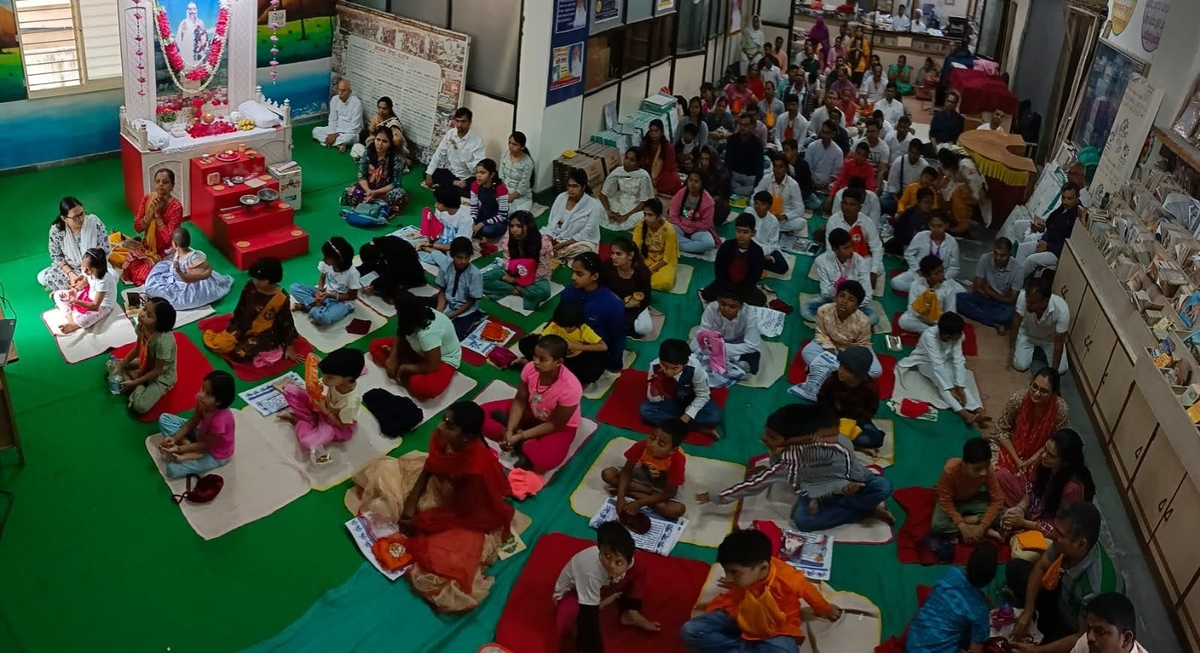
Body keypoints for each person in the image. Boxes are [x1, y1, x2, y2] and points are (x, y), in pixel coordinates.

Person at [372, 401, 513, 611]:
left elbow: (464, 513)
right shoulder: (445, 438)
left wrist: (421, 521)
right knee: (384, 474)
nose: (440, 427)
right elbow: (430, 468)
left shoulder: (475, 471)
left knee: (443, 565)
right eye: (444, 420)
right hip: (444, 483)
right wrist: (410, 504)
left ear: (466, 437)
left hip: (467, 507)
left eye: (450, 426)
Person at [699, 403, 895, 531]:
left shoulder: (841, 445)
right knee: (803, 521)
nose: (764, 439)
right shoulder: (784, 459)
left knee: (883, 487)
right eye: (766, 434)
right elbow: (753, 486)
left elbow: (854, 472)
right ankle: (863, 509)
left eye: (772, 437)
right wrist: (717, 497)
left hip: (849, 484)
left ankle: (859, 506)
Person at [681, 528, 842, 652]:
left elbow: (810, 593)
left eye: (734, 573)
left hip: (775, 629)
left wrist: (825, 609)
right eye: (726, 571)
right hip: (739, 615)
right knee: (690, 630)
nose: (728, 578)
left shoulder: (788, 579)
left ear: (763, 567)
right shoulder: (746, 576)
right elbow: (735, 595)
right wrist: (735, 585)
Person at [1007, 502, 1124, 650]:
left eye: (1060, 535)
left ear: (1080, 544)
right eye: (1055, 529)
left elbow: (1083, 636)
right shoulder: (1065, 544)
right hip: (1063, 596)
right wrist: (1028, 610)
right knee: (1016, 569)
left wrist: (1038, 651)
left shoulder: (1096, 588)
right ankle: (1038, 616)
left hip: (1075, 626)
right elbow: (1041, 567)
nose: (1053, 536)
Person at [483, 334, 582, 471]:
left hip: (556, 425)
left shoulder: (571, 388)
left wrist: (521, 436)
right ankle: (518, 439)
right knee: (479, 414)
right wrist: (511, 430)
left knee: (546, 462)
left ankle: (520, 441)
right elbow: (520, 400)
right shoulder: (530, 368)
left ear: (558, 362)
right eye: (535, 356)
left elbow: (555, 424)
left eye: (543, 359)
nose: (536, 361)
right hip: (531, 409)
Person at [554, 522, 658, 652]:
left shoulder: (629, 562)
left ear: (629, 559)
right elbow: (589, 617)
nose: (611, 565)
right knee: (574, 619)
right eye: (606, 556)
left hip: (605, 587)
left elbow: (630, 569)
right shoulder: (590, 574)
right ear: (599, 549)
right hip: (574, 594)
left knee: (640, 568)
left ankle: (630, 613)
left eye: (618, 562)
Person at [202, 258, 302, 365]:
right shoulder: (250, 285)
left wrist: (289, 346)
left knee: (240, 354)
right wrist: (234, 326)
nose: (256, 282)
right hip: (242, 325)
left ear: (272, 278)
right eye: (254, 278)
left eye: (260, 279)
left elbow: (287, 322)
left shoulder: (282, 297)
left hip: (265, 333)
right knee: (218, 344)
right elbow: (241, 307)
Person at [999, 428, 1095, 540]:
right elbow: (1031, 486)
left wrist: (1023, 523)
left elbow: (1060, 529)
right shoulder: (1044, 459)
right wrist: (1020, 508)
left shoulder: (1072, 489)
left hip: (1052, 520)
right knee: (1000, 476)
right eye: (1045, 449)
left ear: (1065, 462)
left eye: (1051, 456)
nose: (1044, 455)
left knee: (1023, 544)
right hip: (1037, 503)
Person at [904, 544, 999, 653]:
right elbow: (976, 648)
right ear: (990, 578)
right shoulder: (980, 609)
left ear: (968, 561)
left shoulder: (951, 573)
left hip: (913, 642)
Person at [277, 348, 365, 465]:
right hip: (323, 405)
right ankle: (309, 419)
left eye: (329, 377)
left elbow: (343, 426)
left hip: (335, 424)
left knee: (308, 442)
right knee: (289, 390)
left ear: (348, 377)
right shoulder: (338, 374)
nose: (323, 380)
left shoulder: (351, 402)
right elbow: (313, 357)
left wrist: (326, 411)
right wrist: (314, 363)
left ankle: (300, 421)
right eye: (324, 375)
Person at [371, 290, 463, 401]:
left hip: (441, 359)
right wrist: (393, 356)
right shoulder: (411, 316)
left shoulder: (428, 333)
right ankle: (405, 365)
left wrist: (405, 368)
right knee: (375, 346)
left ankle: (405, 367)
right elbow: (402, 333)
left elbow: (433, 366)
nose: (396, 314)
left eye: (397, 311)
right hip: (417, 349)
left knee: (426, 388)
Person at [899, 312, 989, 426]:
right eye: (958, 333)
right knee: (942, 385)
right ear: (947, 336)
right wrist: (950, 388)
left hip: (946, 360)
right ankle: (964, 413)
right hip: (925, 362)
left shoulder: (956, 336)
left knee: (960, 382)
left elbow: (958, 359)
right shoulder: (929, 336)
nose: (961, 335)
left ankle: (978, 409)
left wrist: (959, 385)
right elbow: (937, 365)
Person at [109, 169, 185, 287]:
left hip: (164, 252)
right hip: (146, 246)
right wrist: (150, 214)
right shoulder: (147, 199)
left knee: (142, 275)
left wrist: (158, 216)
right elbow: (137, 228)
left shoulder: (176, 207)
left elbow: (168, 239)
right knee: (113, 254)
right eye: (157, 181)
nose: (160, 185)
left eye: (165, 182)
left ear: (172, 186)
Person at [989, 366, 1070, 474]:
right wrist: (1017, 460)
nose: (1036, 393)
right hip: (1012, 447)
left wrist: (1029, 461)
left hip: (1042, 454)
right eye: (1034, 387)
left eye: (1044, 391)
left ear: (1053, 394)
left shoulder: (1061, 410)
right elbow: (1001, 431)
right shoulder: (1018, 399)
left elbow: (1056, 443)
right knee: (988, 464)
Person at [156, 369, 235, 479]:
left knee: (172, 469)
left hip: (214, 452)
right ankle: (188, 446)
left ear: (219, 402)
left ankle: (190, 450)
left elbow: (206, 445)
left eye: (208, 393)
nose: (201, 395)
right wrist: (175, 439)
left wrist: (179, 449)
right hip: (201, 434)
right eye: (203, 388)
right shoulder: (201, 400)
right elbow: (193, 422)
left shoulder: (220, 422)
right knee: (164, 419)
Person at [603, 420, 688, 520]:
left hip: (665, 485)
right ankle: (647, 492)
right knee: (608, 474)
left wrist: (639, 503)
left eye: (661, 444)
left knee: (677, 510)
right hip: (644, 474)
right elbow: (627, 470)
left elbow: (670, 493)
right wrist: (620, 497)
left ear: (672, 450)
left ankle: (634, 494)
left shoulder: (677, 460)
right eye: (652, 438)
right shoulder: (642, 446)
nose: (652, 445)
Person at [642, 339, 722, 439]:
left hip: (691, 398)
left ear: (685, 364)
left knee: (714, 418)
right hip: (671, 400)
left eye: (674, 368)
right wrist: (655, 388)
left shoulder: (694, 368)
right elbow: (654, 400)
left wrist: (688, 415)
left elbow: (703, 395)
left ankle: (675, 424)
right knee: (645, 411)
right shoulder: (654, 366)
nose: (667, 371)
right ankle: (698, 428)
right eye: (664, 366)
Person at [515, 299, 608, 386]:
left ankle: (552, 372)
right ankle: (546, 368)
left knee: (590, 373)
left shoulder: (584, 330)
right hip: (554, 352)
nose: (566, 329)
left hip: (574, 357)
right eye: (563, 326)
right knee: (525, 343)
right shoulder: (556, 324)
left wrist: (576, 347)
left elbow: (603, 346)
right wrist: (553, 347)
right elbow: (541, 338)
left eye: (570, 327)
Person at [110, 296, 177, 414]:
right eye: (144, 309)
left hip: (161, 376)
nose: (142, 314)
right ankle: (132, 379)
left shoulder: (163, 341)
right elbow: (137, 349)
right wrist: (121, 365)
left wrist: (136, 382)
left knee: (140, 407)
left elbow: (158, 370)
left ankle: (137, 384)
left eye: (149, 315)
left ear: (159, 324)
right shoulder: (142, 326)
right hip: (145, 363)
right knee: (112, 364)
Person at [141, 227, 234, 311]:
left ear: (176, 244)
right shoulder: (179, 250)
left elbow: (193, 278)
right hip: (175, 278)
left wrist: (179, 271)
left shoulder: (193, 259)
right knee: (152, 285)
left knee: (167, 298)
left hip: (188, 284)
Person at [933, 437, 1006, 543]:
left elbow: (998, 500)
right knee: (937, 525)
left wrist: (982, 526)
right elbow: (945, 501)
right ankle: (981, 530)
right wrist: (962, 526)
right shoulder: (950, 470)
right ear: (964, 464)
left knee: (1005, 514)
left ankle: (963, 526)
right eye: (977, 469)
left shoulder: (987, 471)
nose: (983, 473)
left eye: (986, 467)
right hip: (952, 501)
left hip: (971, 499)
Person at [564, 251, 627, 370]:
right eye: (573, 272)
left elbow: (617, 337)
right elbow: (559, 318)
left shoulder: (613, 304)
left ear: (595, 276)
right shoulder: (569, 292)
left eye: (579, 274)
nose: (573, 277)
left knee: (588, 370)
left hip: (594, 347)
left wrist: (615, 362)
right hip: (569, 341)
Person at [815, 346, 886, 449]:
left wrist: (853, 424)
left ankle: (837, 440)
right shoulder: (833, 379)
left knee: (874, 440)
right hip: (832, 417)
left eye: (847, 370)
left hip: (856, 421)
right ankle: (841, 440)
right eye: (841, 366)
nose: (841, 371)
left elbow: (870, 410)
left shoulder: (869, 388)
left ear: (858, 374)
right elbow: (822, 400)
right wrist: (831, 419)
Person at [482, 211, 554, 311]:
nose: (514, 230)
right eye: (511, 226)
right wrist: (510, 274)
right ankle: (519, 291)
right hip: (511, 272)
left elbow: (541, 269)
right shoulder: (508, 240)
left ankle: (517, 290)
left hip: (534, 277)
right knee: (482, 279)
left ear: (528, 226)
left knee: (544, 292)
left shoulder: (541, 243)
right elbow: (507, 261)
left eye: (519, 226)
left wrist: (516, 280)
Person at [38, 197, 111, 292]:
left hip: (94, 268)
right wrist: (71, 275)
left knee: (112, 275)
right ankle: (81, 289)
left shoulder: (94, 222)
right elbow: (56, 256)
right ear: (64, 218)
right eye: (75, 217)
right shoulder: (57, 230)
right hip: (71, 268)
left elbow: (104, 250)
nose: (81, 219)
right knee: (43, 277)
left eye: (82, 214)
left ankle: (76, 290)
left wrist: (85, 279)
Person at [1017, 183, 1083, 282]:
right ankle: (1014, 277)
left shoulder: (1077, 216)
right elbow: (1051, 225)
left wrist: (1047, 247)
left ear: (1077, 197)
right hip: (1048, 242)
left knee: (1031, 260)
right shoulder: (1064, 208)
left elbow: (1066, 245)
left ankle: (1015, 286)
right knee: (1023, 248)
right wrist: (1042, 242)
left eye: (1069, 199)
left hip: (1057, 253)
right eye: (1063, 198)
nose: (1065, 201)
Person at [804, 229, 873, 323]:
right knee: (805, 310)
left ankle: (831, 322)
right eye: (846, 248)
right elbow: (825, 293)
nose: (851, 251)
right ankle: (845, 324)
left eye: (851, 246)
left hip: (853, 305)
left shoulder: (860, 262)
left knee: (873, 318)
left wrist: (850, 305)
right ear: (835, 249)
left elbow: (868, 294)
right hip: (832, 302)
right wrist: (836, 288)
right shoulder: (822, 261)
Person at [289, 236, 361, 326]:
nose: (324, 259)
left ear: (339, 260)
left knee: (323, 317)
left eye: (327, 257)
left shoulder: (352, 274)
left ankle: (309, 307)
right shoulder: (327, 264)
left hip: (342, 302)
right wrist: (319, 290)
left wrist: (330, 295)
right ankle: (316, 306)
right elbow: (322, 278)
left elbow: (352, 296)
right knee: (294, 287)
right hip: (326, 295)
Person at [693, 285, 763, 376]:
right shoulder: (711, 308)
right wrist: (712, 345)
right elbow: (702, 331)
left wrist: (721, 348)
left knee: (753, 360)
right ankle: (729, 363)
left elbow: (752, 346)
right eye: (723, 304)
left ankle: (723, 362)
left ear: (741, 306)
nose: (726, 309)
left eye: (732, 306)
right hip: (714, 342)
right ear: (718, 300)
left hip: (738, 344)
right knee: (693, 346)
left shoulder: (750, 316)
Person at [957, 236, 1020, 332]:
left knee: (1008, 315)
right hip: (984, 299)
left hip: (1000, 305)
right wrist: (1000, 295)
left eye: (1002, 255)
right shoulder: (985, 258)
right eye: (995, 253)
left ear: (1010, 255)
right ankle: (994, 323)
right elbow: (977, 288)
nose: (998, 258)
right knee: (958, 299)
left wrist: (987, 289)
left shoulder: (1018, 269)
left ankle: (980, 313)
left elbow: (1012, 299)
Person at [341, 125, 408, 213]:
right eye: (378, 139)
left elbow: (395, 183)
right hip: (369, 187)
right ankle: (379, 205)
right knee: (349, 191)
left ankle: (370, 203)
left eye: (384, 141)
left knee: (399, 194)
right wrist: (369, 191)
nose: (380, 144)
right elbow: (361, 177)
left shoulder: (397, 158)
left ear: (390, 143)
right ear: (374, 139)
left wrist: (376, 193)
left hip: (386, 189)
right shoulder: (368, 153)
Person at [703, 214, 767, 306]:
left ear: (753, 233)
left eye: (745, 232)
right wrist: (728, 287)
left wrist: (740, 288)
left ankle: (735, 297)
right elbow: (719, 270)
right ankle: (735, 297)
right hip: (725, 283)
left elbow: (755, 276)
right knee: (706, 294)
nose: (741, 235)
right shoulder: (726, 246)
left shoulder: (757, 251)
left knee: (761, 300)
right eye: (738, 231)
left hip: (745, 287)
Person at [1011, 276, 1070, 374]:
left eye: (1033, 303)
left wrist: (1052, 376)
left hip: (1049, 339)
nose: (1028, 305)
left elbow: (1058, 344)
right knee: (1020, 365)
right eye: (1028, 302)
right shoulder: (1023, 296)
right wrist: (1012, 348)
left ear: (1045, 301)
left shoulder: (1062, 309)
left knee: (1060, 370)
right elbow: (1015, 323)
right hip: (1028, 335)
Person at [825, 187, 884, 285]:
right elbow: (830, 248)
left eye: (852, 204)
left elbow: (877, 248)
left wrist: (873, 271)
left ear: (859, 207)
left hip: (861, 258)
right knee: (821, 262)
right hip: (841, 259)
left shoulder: (867, 222)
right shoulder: (833, 220)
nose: (847, 208)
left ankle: (852, 279)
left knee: (879, 268)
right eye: (844, 203)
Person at [429, 237, 485, 339]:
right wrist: (439, 312)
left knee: (452, 336)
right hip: (447, 302)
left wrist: (450, 316)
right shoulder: (445, 267)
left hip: (466, 310)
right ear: (452, 255)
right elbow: (442, 291)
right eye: (459, 257)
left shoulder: (475, 274)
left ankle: (474, 318)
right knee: (417, 304)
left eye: (466, 257)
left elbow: (470, 301)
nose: (463, 261)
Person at [545, 169, 604, 262]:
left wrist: (565, 243)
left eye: (575, 186)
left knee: (583, 252)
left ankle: (555, 252)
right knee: (536, 240)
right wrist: (549, 237)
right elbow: (552, 221)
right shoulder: (561, 197)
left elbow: (587, 232)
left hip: (578, 241)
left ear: (583, 187)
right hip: (556, 235)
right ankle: (553, 251)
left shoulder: (593, 205)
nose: (570, 189)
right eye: (569, 185)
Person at [52, 248, 115, 335]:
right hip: (88, 295)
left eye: (88, 269)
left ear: (99, 268)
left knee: (82, 320)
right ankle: (71, 319)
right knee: (58, 294)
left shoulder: (103, 282)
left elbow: (95, 305)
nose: (84, 271)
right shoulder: (87, 271)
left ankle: (74, 323)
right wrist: (75, 290)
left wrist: (76, 302)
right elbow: (85, 281)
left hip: (102, 306)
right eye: (83, 267)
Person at [894, 213, 961, 294]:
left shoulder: (952, 242)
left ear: (946, 225)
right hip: (920, 274)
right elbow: (909, 254)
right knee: (895, 282)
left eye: (940, 226)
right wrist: (918, 270)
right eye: (933, 226)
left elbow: (954, 267)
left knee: (961, 292)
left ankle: (923, 291)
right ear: (929, 225)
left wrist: (943, 277)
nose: (936, 229)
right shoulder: (921, 236)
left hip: (941, 277)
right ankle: (930, 292)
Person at [425, 107, 486, 196]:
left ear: (470, 122)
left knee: (477, 187)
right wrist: (429, 174)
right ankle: (454, 185)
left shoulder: (477, 141)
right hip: (452, 174)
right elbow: (438, 154)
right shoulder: (451, 134)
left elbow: (478, 167)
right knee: (428, 172)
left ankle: (449, 187)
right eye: (457, 121)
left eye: (463, 121)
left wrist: (461, 155)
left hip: (467, 178)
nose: (459, 125)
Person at [603, 237, 654, 338]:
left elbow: (646, 297)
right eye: (612, 253)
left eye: (618, 254)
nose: (613, 257)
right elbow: (603, 288)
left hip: (634, 305)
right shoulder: (608, 265)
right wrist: (620, 304)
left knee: (645, 327)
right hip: (612, 302)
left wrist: (634, 303)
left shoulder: (642, 272)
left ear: (630, 255)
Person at [418, 187, 476, 270]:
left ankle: (428, 250)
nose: (435, 205)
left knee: (451, 263)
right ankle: (429, 251)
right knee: (411, 243)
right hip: (440, 242)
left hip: (455, 249)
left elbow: (456, 247)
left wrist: (430, 246)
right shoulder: (440, 211)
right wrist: (430, 238)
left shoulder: (465, 219)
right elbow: (436, 230)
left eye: (438, 202)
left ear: (448, 203)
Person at [599, 148, 656, 232]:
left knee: (642, 218)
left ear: (638, 163)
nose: (627, 162)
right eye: (626, 158)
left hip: (636, 207)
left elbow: (644, 201)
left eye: (632, 160)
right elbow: (603, 194)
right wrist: (609, 211)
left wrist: (626, 216)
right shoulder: (618, 171)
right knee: (596, 206)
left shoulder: (643, 176)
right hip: (620, 202)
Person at [1068, 594, 1147, 653]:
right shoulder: (1085, 643)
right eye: (1089, 628)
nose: (1089, 637)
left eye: (1101, 631)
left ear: (1126, 639)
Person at [899, 255, 959, 331]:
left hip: (939, 321)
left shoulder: (948, 288)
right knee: (903, 321)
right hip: (920, 318)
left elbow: (951, 313)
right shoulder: (916, 285)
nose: (942, 275)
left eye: (942, 271)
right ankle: (930, 331)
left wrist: (940, 321)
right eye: (937, 273)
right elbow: (911, 308)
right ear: (926, 276)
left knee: (960, 335)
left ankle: (929, 331)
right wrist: (922, 312)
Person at [668, 170, 720, 255]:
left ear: (702, 183)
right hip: (680, 227)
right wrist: (683, 225)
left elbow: (706, 224)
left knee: (709, 243)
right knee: (667, 230)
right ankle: (693, 246)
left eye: (696, 181)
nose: (692, 184)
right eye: (690, 180)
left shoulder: (708, 201)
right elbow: (673, 216)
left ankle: (679, 245)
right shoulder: (681, 193)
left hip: (698, 231)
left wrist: (689, 226)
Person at [632, 198, 679, 292]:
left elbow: (667, 258)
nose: (646, 218)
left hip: (664, 261)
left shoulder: (669, 230)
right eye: (645, 214)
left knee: (666, 282)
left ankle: (641, 282)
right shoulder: (640, 226)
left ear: (659, 216)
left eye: (650, 215)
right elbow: (635, 248)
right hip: (647, 258)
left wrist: (651, 270)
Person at [754, 155, 807, 235]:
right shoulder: (767, 178)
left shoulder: (793, 184)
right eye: (775, 166)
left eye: (781, 167)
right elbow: (753, 197)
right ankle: (774, 227)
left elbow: (800, 209)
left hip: (782, 217)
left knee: (801, 223)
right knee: (748, 211)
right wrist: (761, 210)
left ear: (786, 169)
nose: (777, 170)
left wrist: (784, 216)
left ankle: (766, 226)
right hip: (765, 213)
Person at [358, 235, 427, 296]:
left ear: (380, 255)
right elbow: (369, 263)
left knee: (388, 291)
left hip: (408, 270)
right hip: (393, 264)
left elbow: (393, 273)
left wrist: (374, 285)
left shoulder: (396, 252)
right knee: (369, 266)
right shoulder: (378, 245)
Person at [351, 96, 411, 163]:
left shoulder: (393, 125)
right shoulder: (376, 118)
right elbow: (371, 131)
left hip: (388, 152)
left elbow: (397, 142)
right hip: (377, 150)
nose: (381, 111)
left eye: (384, 108)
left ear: (390, 109)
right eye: (379, 108)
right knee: (356, 147)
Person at [745, 191, 789, 276]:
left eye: (762, 204)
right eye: (756, 203)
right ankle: (756, 260)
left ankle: (754, 261)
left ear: (769, 206)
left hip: (766, 249)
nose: (758, 206)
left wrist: (761, 253)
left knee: (783, 268)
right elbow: (744, 235)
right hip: (750, 245)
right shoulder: (749, 214)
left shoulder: (773, 221)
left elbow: (773, 244)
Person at [312, 79, 362, 152]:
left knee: (349, 138)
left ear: (350, 92)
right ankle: (338, 145)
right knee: (315, 130)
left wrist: (336, 135)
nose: (340, 93)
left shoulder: (356, 103)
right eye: (339, 90)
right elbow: (332, 120)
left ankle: (331, 142)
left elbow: (355, 128)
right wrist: (332, 133)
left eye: (343, 91)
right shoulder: (334, 99)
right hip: (336, 129)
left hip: (349, 133)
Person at [882, 137, 928, 216]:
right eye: (912, 153)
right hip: (897, 196)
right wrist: (899, 202)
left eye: (917, 154)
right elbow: (892, 184)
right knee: (882, 201)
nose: (914, 156)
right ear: (908, 151)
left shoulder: (924, 166)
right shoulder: (899, 162)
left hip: (914, 198)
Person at [725, 114, 766, 197]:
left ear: (752, 126)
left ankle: (738, 192)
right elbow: (728, 162)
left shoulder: (757, 144)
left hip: (750, 179)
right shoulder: (732, 140)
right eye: (741, 125)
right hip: (735, 176)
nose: (742, 128)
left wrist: (756, 186)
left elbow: (759, 167)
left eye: (746, 125)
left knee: (751, 190)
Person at [468, 159, 510, 239]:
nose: (478, 176)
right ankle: (478, 234)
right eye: (477, 172)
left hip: (497, 220)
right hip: (482, 214)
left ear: (492, 175)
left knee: (487, 230)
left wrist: (482, 224)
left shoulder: (501, 189)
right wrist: (472, 221)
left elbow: (502, 216)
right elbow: (474, 207)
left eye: (482, 173)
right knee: (465, 220)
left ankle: (479, 234)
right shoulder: (475, 185)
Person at [639, 119, 683, 195]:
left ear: (661, 132)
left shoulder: (668, 147)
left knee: (675, 180)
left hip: (662, 175)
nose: (653, 134)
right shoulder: (645, 144)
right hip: (647, 174)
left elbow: (669, 167)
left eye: (656, 131)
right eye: (651, 131)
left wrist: (657, 180)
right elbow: (641, 162)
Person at [805, 120, 845, 201]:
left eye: (828, 133)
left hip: (828, 185)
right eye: (823, 132)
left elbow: (836, 174)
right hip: (812, 181)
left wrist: (825, 183)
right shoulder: (812, 146)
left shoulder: (838, 152)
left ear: (833, 134)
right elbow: (807, 168)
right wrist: (814, 182)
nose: (824, 135)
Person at [500, 131, 536, 214]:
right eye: (509, 143)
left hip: (521, 197)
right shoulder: (505, 154)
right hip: (504, 191)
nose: (510, 146)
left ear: (522, 146)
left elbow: (523, 187)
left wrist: (509, 199)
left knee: (519, 218)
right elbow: (501, 176)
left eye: (514, 144)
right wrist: (502, 193)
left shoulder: (527, 162)